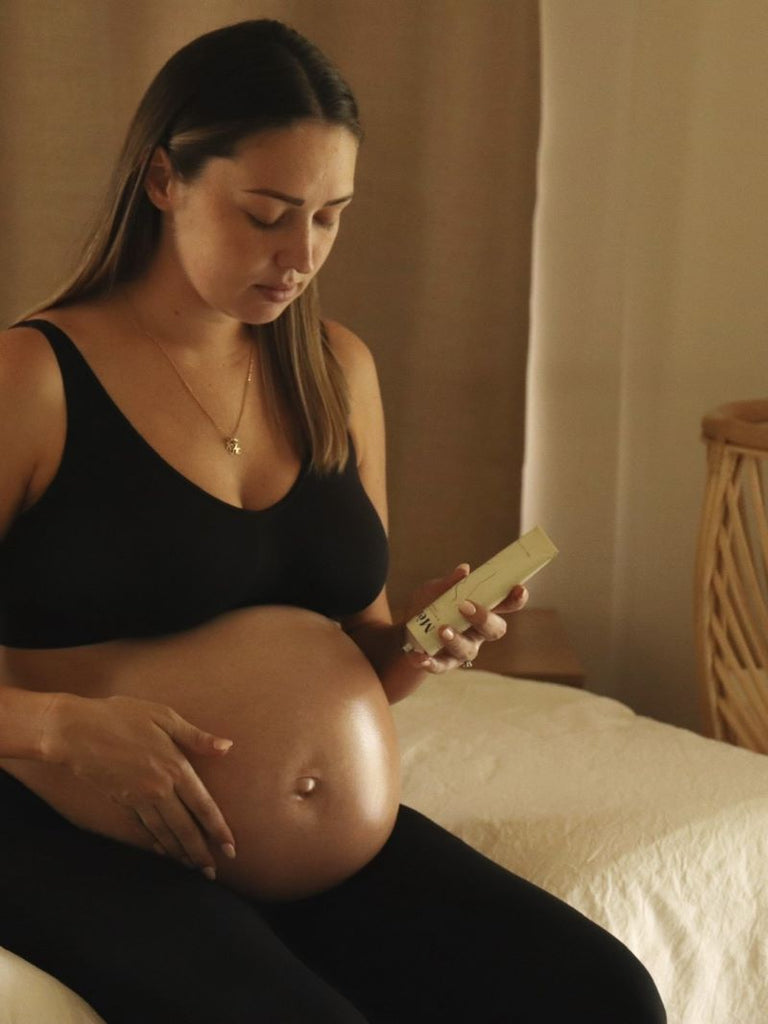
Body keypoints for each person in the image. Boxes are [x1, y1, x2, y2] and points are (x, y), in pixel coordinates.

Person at [0, 18, 666, 1023]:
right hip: (77, 832)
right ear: (163, 181)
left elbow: (363, 648)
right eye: (267, 213)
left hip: (320, 853)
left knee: (603, 994)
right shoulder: (34, 379)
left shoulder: (334, 372)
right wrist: (59, 730)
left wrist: (423, 641)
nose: (300, 254)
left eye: (328, 217)